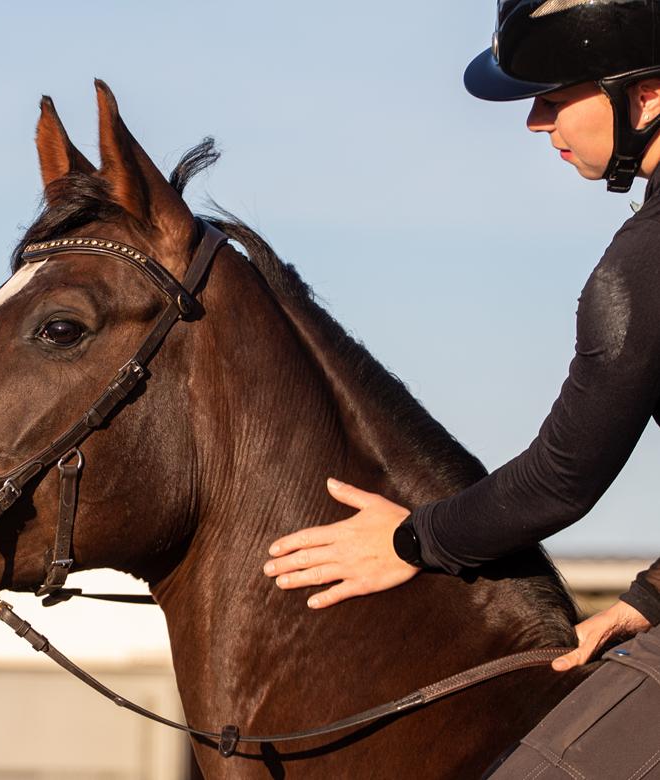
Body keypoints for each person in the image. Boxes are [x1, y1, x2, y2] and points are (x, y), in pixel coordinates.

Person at [264, 1, 660, 776]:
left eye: (552, 96)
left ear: (648, 96)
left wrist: (413, 539)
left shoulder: (642, 268)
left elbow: (562, 477)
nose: (537, 123)